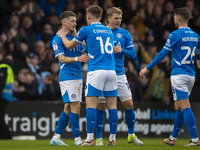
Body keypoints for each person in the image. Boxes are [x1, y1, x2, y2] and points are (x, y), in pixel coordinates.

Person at [56, 5, 118, 146]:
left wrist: (61, 36)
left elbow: (70, 46)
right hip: (111, 70)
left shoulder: (85, 29)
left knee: (91, 104)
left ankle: (89, 139)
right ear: (101, 17)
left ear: (88, 16)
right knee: (112, 105)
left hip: (96, 71)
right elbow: (93, 45)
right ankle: (112, 138)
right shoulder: (108, 30)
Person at [139, 7, 200, 146]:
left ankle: (195, 139)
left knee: (184, 106)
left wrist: (147, 68)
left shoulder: (174, 35)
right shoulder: (196, 36)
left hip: (179, 75)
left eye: (174, 17)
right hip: (191, 75)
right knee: (178, 106)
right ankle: (172, 138)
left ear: (178, 18)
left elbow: (162, 54)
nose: (173, 19)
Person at [95, 7, 143, 146]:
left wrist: (122, 50)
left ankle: (131, 135)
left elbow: (133, 54)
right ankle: (99, 138)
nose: (118, 21)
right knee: (102, 106)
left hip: (120, 74)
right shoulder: (101, 32)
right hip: (104, 73)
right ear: (108, 18)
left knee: (129, 104)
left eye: (120, 18)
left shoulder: (124, 33)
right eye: (116, 18)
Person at [50, 11, 90, 146]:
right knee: (76, 105)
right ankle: (77, 139)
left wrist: (79, 39)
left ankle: (56, 137)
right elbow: (61, 58)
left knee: (68, 107)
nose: (75, 23)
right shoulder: (57, 39)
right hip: (67, 75)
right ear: (64, 22)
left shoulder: (75, 38)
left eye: (75, 20)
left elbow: (87, 50)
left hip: (77, 74)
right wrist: (78, 58)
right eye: (72, 21)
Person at [0, 47, 14, 139]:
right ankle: (7, 137)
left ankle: (7, 137)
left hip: (2, 96)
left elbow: (1, 83)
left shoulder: (3, 67)